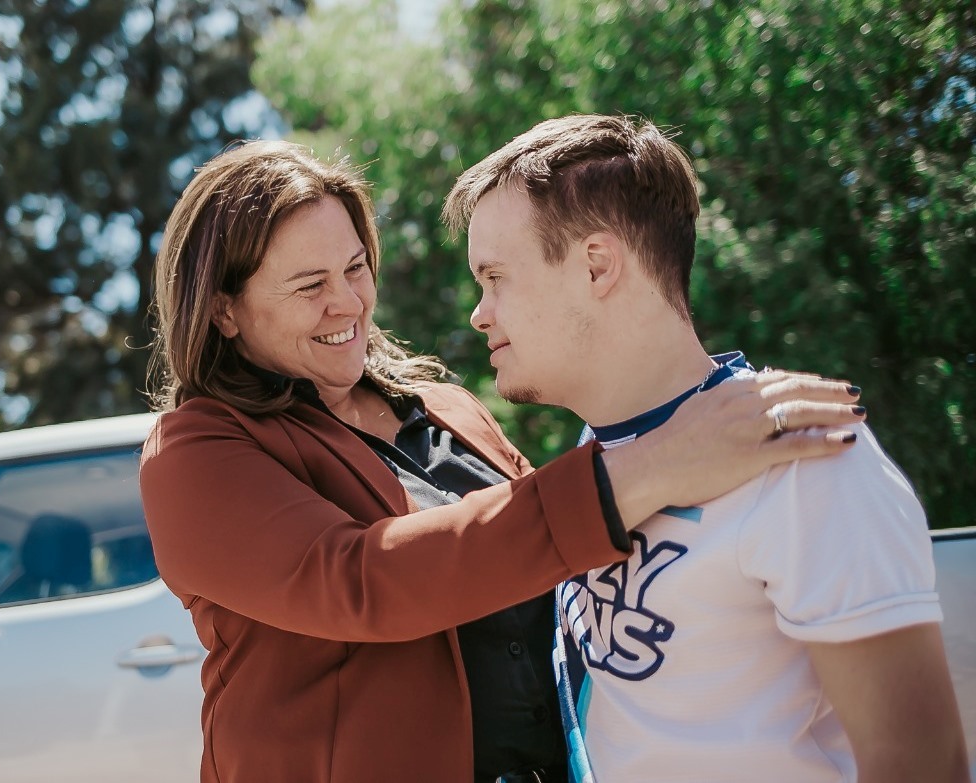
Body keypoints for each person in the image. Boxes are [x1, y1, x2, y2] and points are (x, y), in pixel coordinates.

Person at [138, 139, 867, 783]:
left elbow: (566, 576)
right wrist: (655, 465)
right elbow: (364, 581)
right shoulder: (195, 452)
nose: (348, 303)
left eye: (356, 268)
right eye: (309, 286)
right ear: (223, 310)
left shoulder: (447, 407)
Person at [442, 114, 970, 783]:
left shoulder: (805, 453)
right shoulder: (593, 457)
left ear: (596, 264)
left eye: (494, 277)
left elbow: (922, 762)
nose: (479, 313)